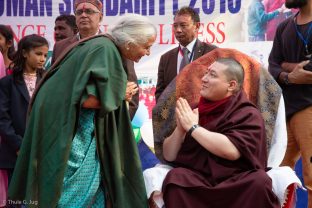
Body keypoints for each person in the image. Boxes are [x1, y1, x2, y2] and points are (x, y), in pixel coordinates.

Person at [8, 14, 157, 208]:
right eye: (146, 46)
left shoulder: (100, 45)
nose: (147, 52)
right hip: (74, 137)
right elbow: (84, 98)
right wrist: (119, 93)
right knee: (70, 194)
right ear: (129, 43)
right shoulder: (105, 49)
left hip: (68, 128)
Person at [161, 58, 280, 208]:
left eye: (212, 75)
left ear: (231, 85)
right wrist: (180, 129)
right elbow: (169, 155)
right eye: (206, 73)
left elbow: (231, 151)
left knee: (258, 182)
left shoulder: (247, 113)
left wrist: (193, 127)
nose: (204, 79)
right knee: (176, 178)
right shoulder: (195, 110)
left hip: (237, 181)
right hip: (199, 179)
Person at [52, 0, 139, 120]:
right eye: (79, 12)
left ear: (101, 17)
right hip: (68, 120)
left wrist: (121, 125)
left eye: (89, 11)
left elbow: (131, 88)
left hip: (106, 120)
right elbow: (54, 85)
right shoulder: (61, 47)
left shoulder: (117, 44)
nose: (83, 15)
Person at [268, 0, 312, 206]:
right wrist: (289, 76)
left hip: (309, 109)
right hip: (284, 111)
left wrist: (285, 66)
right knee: (278, 176)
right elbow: (273, 66)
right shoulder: (284, 26)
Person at [0, 34, 48, 207]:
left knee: (39, 198)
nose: (43, 58)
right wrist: (19, 146)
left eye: (45, 54)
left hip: (42, 150)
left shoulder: (48, 81)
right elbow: (2, 119)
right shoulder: (7, 83)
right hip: (16, 152)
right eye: (38, 53)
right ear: (25, 53)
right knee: (16, 199)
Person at [155, 6, 216, 102]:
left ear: (197, 26)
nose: (178, 30)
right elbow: (160, 93)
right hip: (174, 115)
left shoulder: (212, 52)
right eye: (175, 26)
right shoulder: (165, 58)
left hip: (204, 114)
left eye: (183, 25)